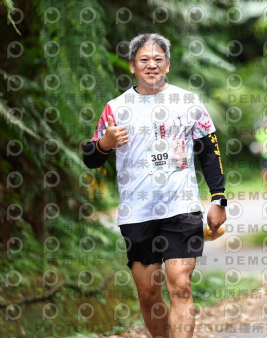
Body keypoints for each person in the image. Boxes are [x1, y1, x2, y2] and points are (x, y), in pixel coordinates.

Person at [83, 33, 227, 338]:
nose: (152, 65)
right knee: (148, 294)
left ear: (168, 65)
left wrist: (219, 199)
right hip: (137, 212)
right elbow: (91, 158)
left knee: (181, 285)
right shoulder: (116, 108)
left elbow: (210, 152)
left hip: (181, 207)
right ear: (132, 66)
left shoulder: (188, 102)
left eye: (158, 59)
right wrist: (105, 143)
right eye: (144, 60)